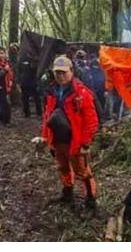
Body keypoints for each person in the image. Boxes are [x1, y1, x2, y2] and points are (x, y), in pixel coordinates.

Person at [40, 55, 99, 209]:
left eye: (64, 72)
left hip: (76, 140)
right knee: (63, 167)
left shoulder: (81, 93)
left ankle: (91, 198)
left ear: (71, 71)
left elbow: (91, 121)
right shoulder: (51, 91)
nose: (60, 76)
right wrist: (45, 138)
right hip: (58, 139)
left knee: (83, 171)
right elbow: (47, 115)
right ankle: (67, 193)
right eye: (57, 72)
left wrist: (85, 143)